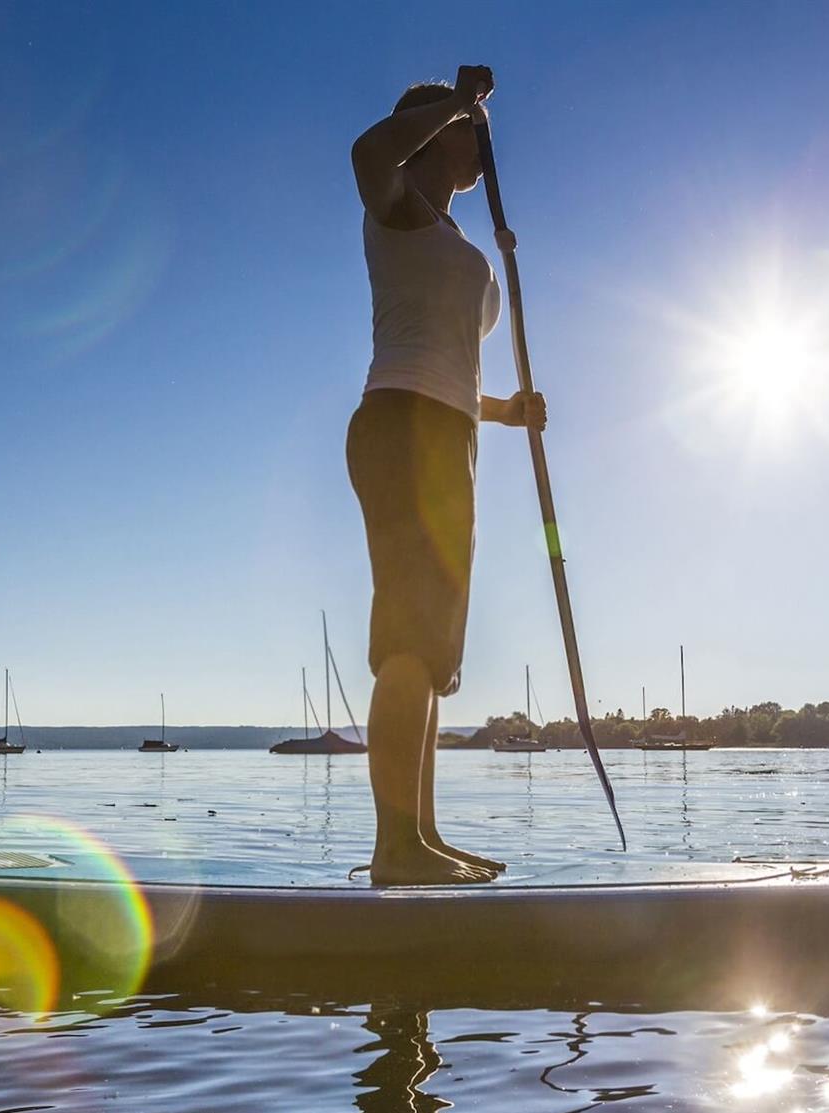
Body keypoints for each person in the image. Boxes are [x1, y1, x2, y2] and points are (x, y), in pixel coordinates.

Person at [347, 65, 546, 886]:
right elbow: (366, 150)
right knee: (406, 637)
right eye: (469, 131)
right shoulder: (397, 211)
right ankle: (394, 846)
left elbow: (458, 372)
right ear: (435, 132)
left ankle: (420, 835)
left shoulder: (467, 247)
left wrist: (510, 412)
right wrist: (455, 104)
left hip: (450, 436)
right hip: (398, 427)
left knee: (432, 652)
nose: (481, 142)